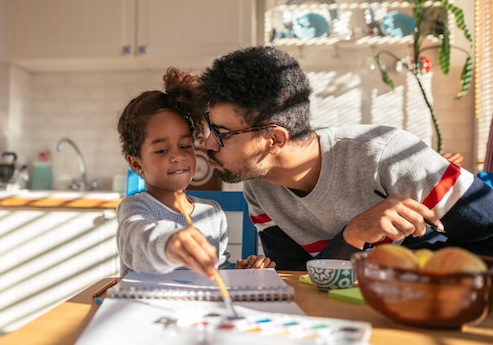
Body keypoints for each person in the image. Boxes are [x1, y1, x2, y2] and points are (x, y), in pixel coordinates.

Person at [197, 46, 493, 270]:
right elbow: (303, 276)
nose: (208, 143)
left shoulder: (388, 155)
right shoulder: (260, 188)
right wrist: (352, 235)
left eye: (221, 133)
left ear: (274, 139)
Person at [116, 67, 275, 277]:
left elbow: (215, 272)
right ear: (136, 164)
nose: (177, 156)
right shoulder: (136, 208)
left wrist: (241, 272)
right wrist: (169, 244)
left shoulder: (212, 212)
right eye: (162, 150)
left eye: (185, 146)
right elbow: (137, 240)